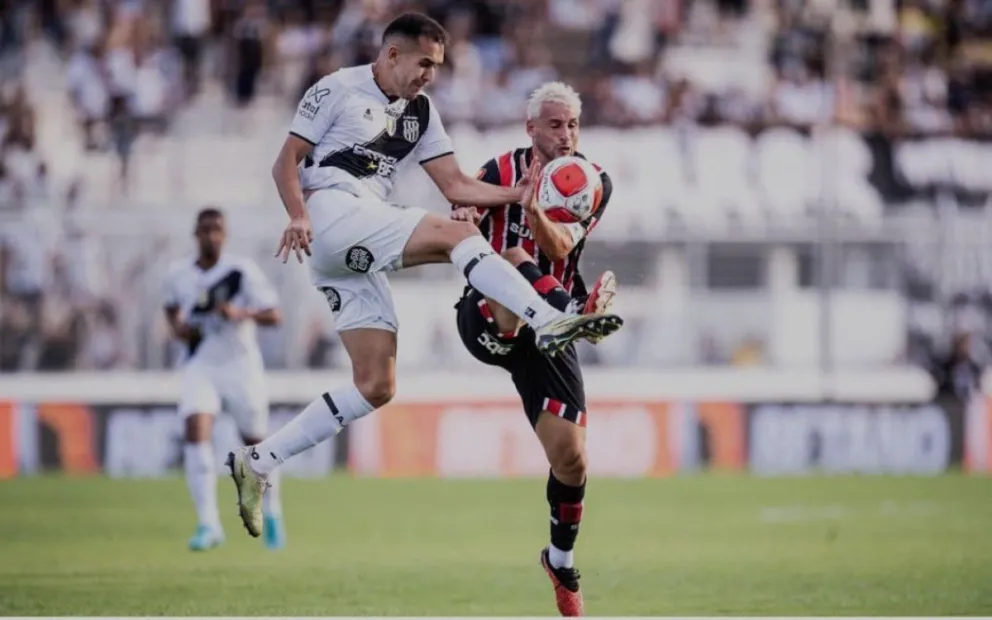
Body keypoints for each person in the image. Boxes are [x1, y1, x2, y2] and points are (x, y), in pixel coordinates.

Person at [224, 13, 623, 540]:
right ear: (392, 54)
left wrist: (519, 195)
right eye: (424, 64)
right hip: (332, 212)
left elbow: (456, 186)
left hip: (350, 247)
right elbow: (286, 162)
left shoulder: (421, 111)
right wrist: (297, 214)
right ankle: (550, 318)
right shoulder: (336, 88)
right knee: (460, 238)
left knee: (376, 385)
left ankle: (258, 461)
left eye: (436, 67)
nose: (429, 76)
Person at [450, 81, 612, 617]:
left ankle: (560, 562)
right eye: (555, 125)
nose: (566, 135)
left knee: (572, 458)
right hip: (490, 316)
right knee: (511, 257)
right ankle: (570, 314)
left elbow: (560, 245)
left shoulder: (591, 182)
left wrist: (533, 208)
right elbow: (460, 212)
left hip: (548, 334)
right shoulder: (497, 170)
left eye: (573, 125)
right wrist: (465, 214)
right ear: (531, 128)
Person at [163, 208, 285, 551]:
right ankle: (208, 523)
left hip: (240, 366)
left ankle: (272, 513)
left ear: (225, 235)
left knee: (256, 447)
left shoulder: (240, 271)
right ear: (196, 234)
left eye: (217, 230)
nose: (211, 236)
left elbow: (275, 315)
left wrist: (240, 313)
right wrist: (179, 329)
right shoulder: (178, 274)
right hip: (201, 365)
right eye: (205, 230)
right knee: (195, 429)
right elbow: (171, 309)